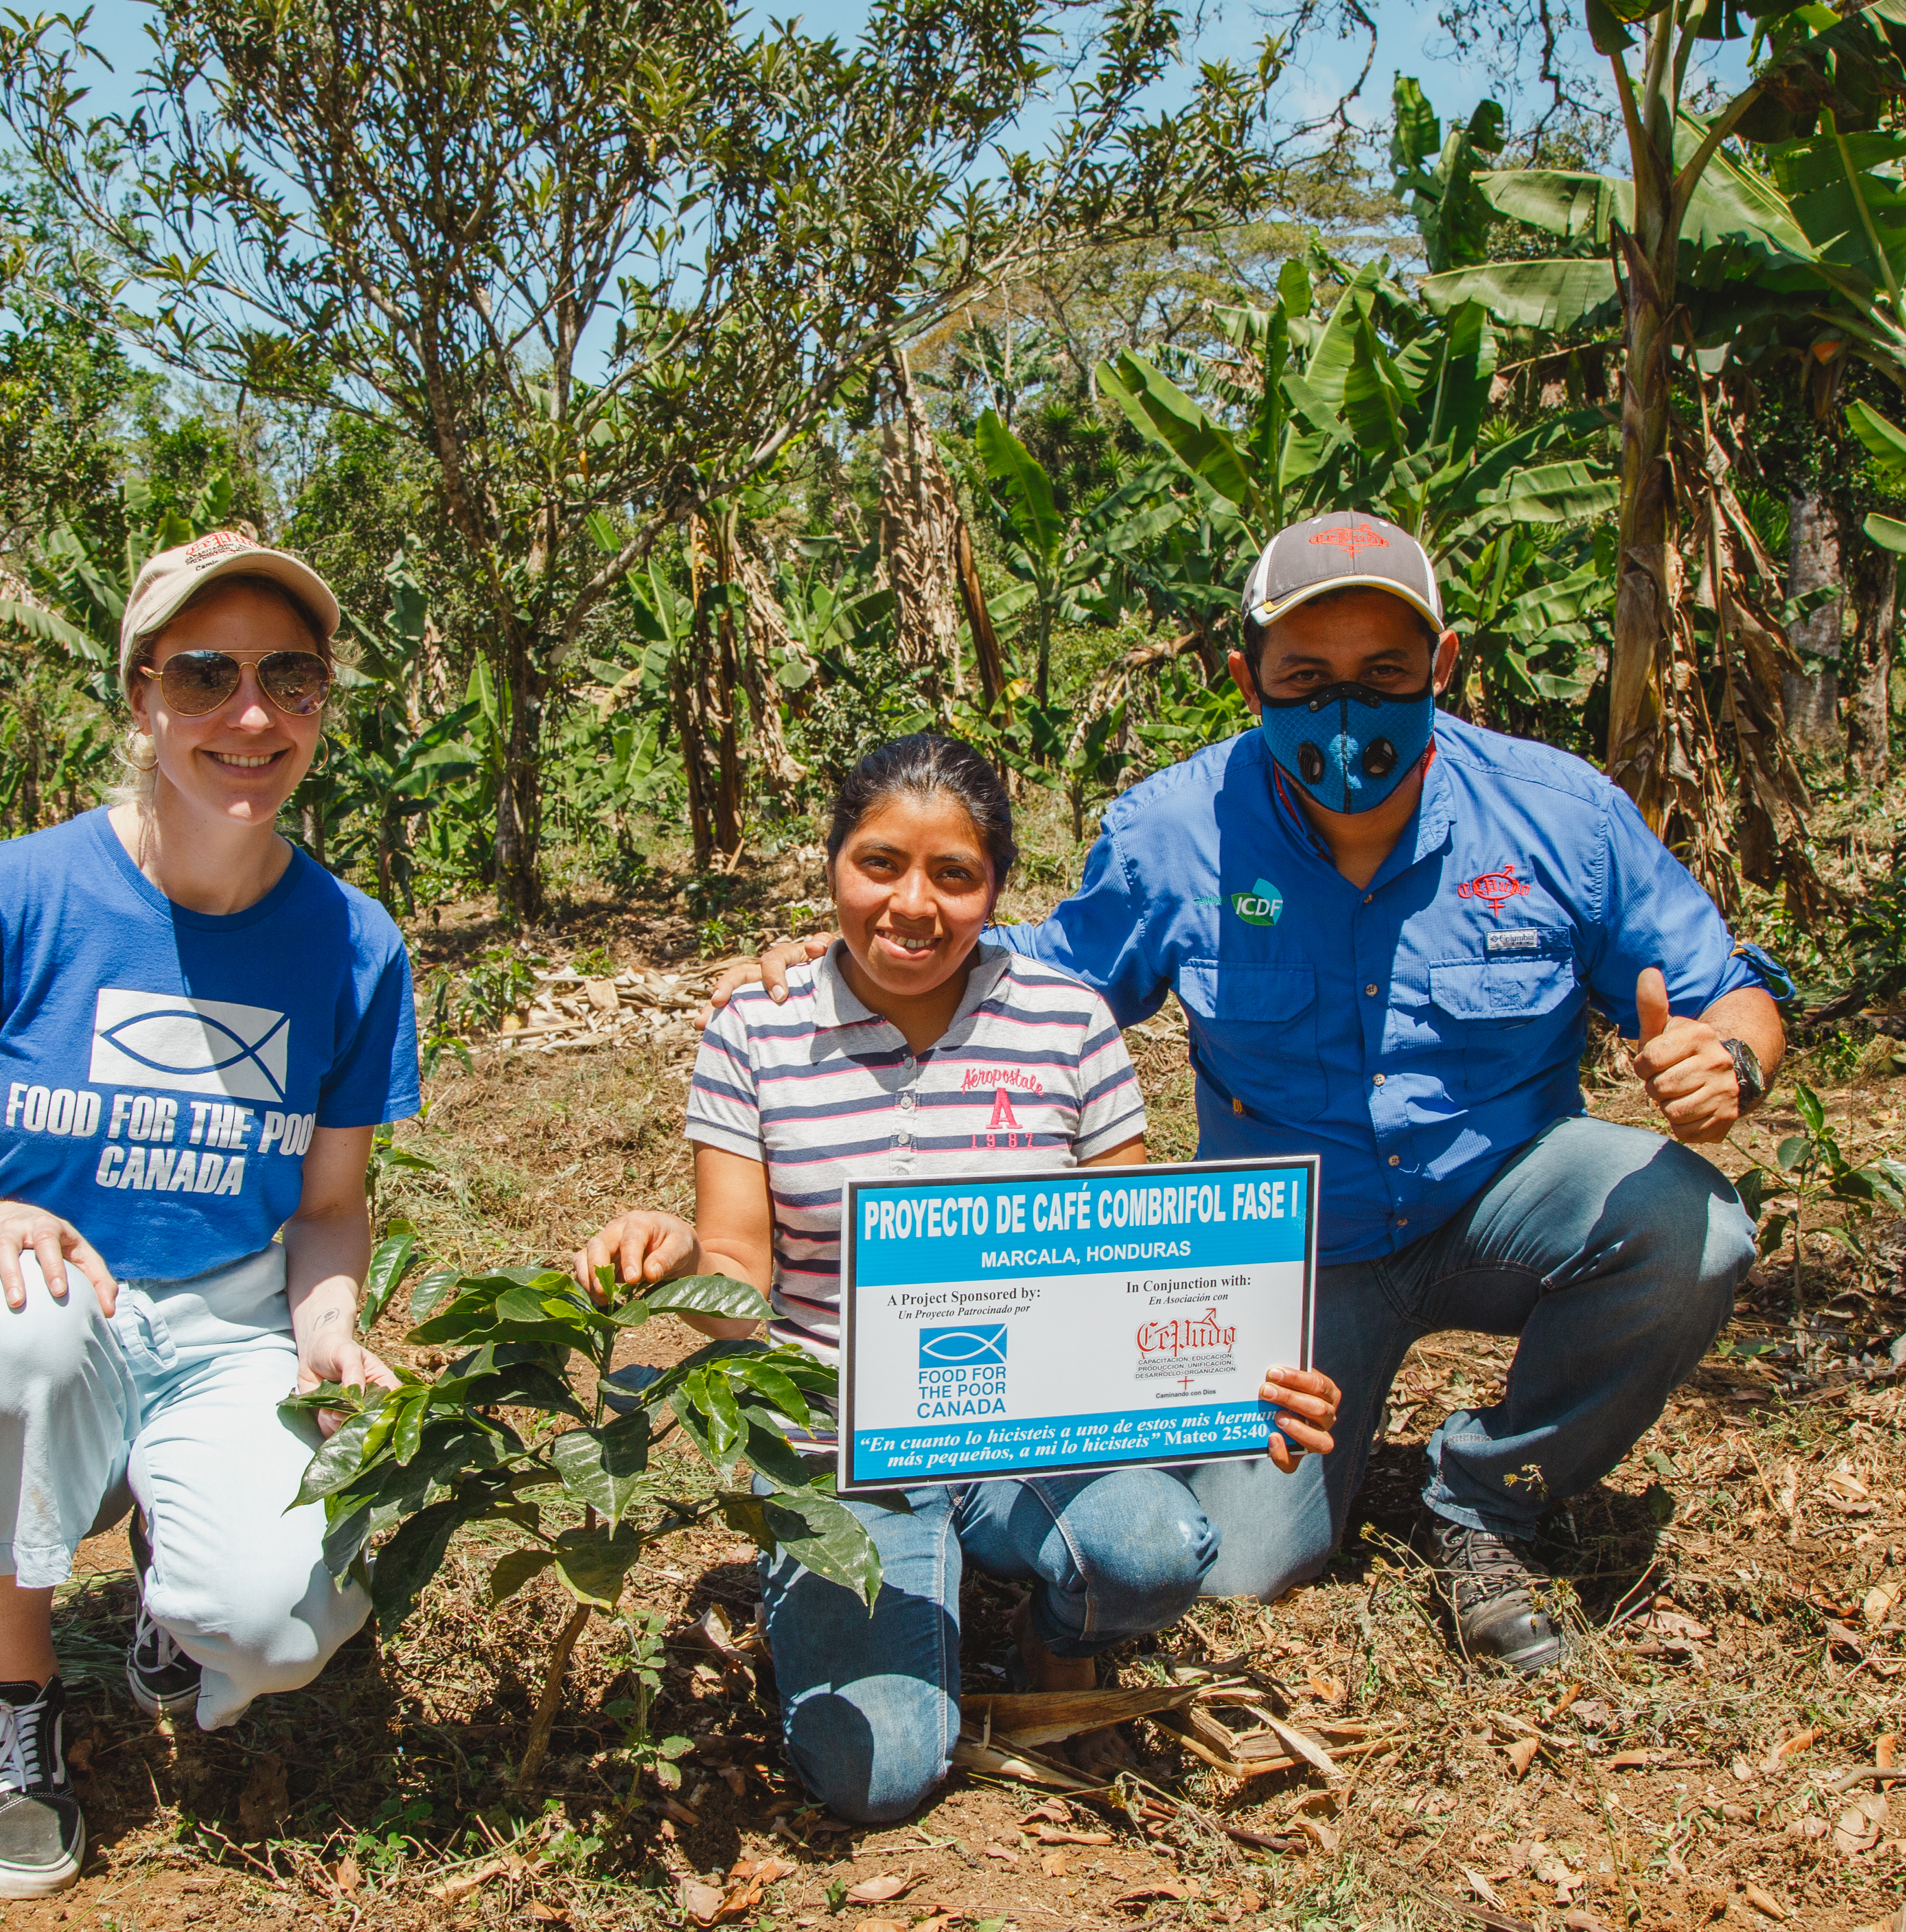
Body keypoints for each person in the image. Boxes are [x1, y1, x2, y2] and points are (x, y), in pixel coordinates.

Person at [715, 514, 1785, 1677]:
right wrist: (842, 959)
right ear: (1247, 679)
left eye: (1386, 674)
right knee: (1235, 1565)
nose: (1346, 711)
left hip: (1505, 1199)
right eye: (1306, 679)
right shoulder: (1176, 834)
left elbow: (1728, 991)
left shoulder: (1560, 815)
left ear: (1445, 665)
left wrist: (1729, 1057)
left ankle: (1488, 1498)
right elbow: (1044, 970)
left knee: (1693, 1227)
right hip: (1294, 1257)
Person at [576, 735, 1342, 1824]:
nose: (912, 905)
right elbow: (740, 1266)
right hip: (835, 1442)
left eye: (955, 875)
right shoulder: (756, 1034)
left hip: (1025, 1434)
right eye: (879, 863)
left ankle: (1056, 1628)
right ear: (833, 862)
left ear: (995, 889)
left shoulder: (1067, 1023)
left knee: (1158, 1547)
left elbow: (1134, 1262)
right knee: (875, 1775)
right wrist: (676, 1257)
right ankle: (884, 1586)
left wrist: (1243, 1380)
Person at [0, 530, 419, 1898]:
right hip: (45, 1317)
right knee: (21, 1336)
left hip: (227, 1323)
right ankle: (14, 1697)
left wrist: (330, 1322)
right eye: (207, 676)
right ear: (140, 695)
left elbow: (331, 1207)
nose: (251, 715)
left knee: (277, 1635)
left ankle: (184, 1568)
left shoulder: (354, 945)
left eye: (292, 677)